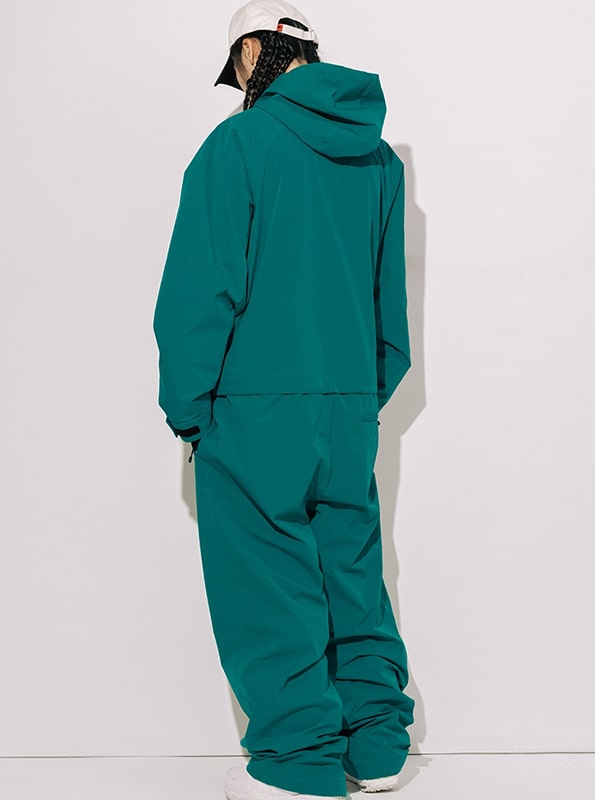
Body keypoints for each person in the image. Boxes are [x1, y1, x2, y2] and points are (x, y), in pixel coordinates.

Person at [152, 2, 415, 799]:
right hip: (347, 404)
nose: (235, 80)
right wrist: (361, 394)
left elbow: (201, 289)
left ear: (253, 50)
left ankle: (300, 762)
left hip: (254, 404)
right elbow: (388, 300)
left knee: (267, 584)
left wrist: (190, 409)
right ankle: (377, 746)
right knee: (351, 575)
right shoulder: (378, 160)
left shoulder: (237, 145)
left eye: (234, 64)